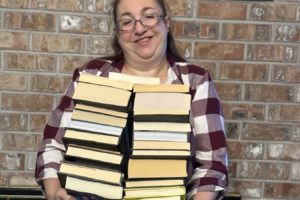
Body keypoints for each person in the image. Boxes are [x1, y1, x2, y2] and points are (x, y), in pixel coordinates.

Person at [35, 0, 228, 199]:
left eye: (149, 16)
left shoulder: (195, 82)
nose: (139, 28)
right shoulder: (91, 75)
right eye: (127, 22)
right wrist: (54, 190)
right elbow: (53, 143)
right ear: (118, 33)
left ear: (166, 23)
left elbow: (212, 164)